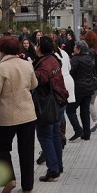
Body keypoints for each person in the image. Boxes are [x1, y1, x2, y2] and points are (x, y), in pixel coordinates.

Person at [0, 36, 38, 193]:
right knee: (27, 149)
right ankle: (27, 186)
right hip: (27, 113)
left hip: (7, 114)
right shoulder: (27, 65)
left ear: (1, 50)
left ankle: (9, 177)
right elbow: (34, 84)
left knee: (2, 148)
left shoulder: (0, 69)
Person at [34, 36, 69, 182]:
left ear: (40, 48)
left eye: (37, 46)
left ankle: (53, 168)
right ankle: (58, 165)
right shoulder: (54, 59)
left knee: (44, 136)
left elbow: (38, 79)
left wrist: (30, 68)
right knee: (55, 134)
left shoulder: (43, 64)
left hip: (48, 103)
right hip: (60, 99)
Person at [67, 40, 96, 141]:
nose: (73, 48)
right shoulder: (89, 58)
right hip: (89, 88)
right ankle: (86, 134)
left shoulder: (75, 60)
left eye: (75, 47)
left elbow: (70, 72)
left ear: (79, 49)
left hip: (78, 88)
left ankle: (78, 130)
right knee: (85, 111)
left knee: (70, 110)